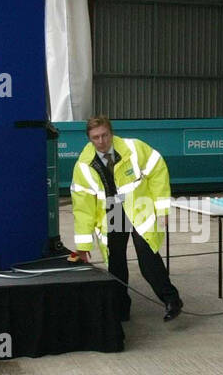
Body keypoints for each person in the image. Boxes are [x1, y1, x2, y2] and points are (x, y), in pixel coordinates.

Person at [71, 116, 183, 322]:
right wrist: (83, 244)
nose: (101, 141)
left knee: (147, 256)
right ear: (89, 139)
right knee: (116, 262)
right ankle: (121, 308)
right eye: (96, 137)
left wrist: (161, 209)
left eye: (105, 135)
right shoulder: (83, 167)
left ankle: (171, 300)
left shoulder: (134, 149)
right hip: (111, 214)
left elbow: (158, 172)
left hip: (139, 209)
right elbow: (83, 208)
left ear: (111, 133)